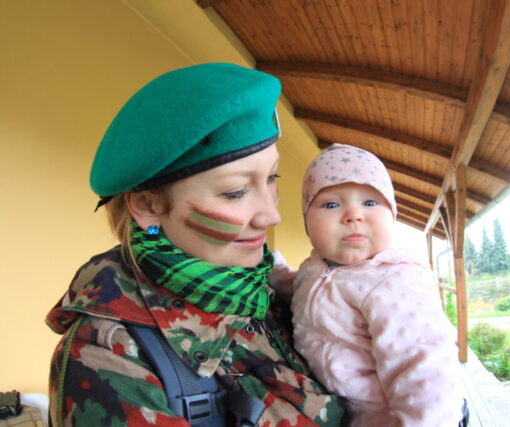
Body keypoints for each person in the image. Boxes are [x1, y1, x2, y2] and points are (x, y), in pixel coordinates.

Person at [46, 63, 345, 426]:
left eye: (272, 177)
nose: (271, 215)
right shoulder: (108, 354)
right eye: (235, 192)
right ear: (149, 205)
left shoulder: (268, 291)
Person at [288, 143, 465, 426]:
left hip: (389, 417)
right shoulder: (316, 267)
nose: (353, 215)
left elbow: (425, 368)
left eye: (370, 203)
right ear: (307, 220)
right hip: (347, 410)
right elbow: (302, 290)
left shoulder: (394, 281)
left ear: (392, 215)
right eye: (331, 205)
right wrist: (272, 271)